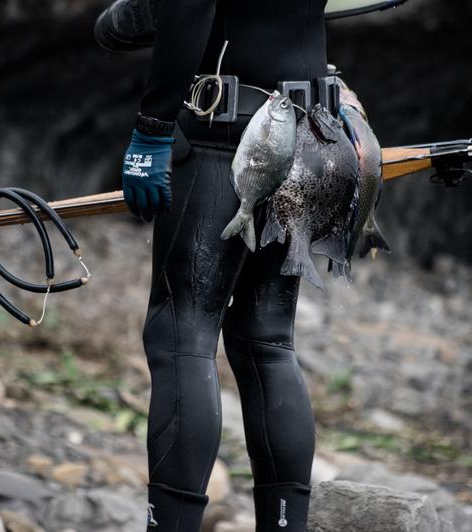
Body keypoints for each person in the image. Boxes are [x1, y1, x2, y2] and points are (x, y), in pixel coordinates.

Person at [100, 0, 336, 529]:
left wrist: (152, 128)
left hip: (228, 133)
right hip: (312, 131)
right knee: (268, 341)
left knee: (182, 334)